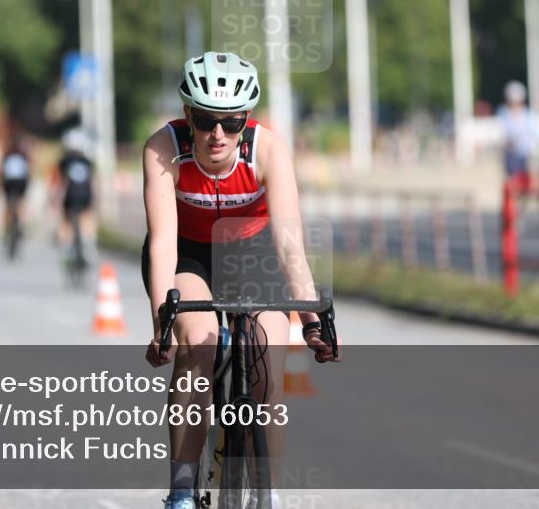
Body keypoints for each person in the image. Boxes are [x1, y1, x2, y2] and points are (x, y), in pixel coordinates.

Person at [141, 51, 338, 509]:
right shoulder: (162, 149)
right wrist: (161, 323)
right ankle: (184, 491)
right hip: (189, 255)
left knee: (269, 361)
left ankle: (266, 494)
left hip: (253, 252)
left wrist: (311, 321)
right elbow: (163, 243)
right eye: (207, 120)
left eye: (231, 123)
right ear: (188, 114)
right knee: (198, 345)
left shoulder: (267, 149)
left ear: (245, 120)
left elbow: (290, 247)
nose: (217, 134)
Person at [52, 127, 96, 267]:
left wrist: (55, 199)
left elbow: (61, 182)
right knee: (87, 216)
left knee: (66, 218)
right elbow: (93, 182)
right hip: (85, 194)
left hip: (70, 195)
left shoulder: (64, 161)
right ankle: (89, 245)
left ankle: (66, 249)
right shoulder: (88, 161)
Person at [497, 80, 539, 176]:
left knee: (523, 179)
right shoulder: (503, 113)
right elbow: (502, 133)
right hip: (509, 154)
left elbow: (535, 133)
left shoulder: (528, 115)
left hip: (524, 154)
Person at [0, 134, 31, 239]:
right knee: (21, 201)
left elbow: (1, 171)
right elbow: (28, 171)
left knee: (8, 203)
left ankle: (7, 226)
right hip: (21, 182)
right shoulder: (24, 154)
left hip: (9, 182)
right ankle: (21, 224)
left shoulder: (7, 154)